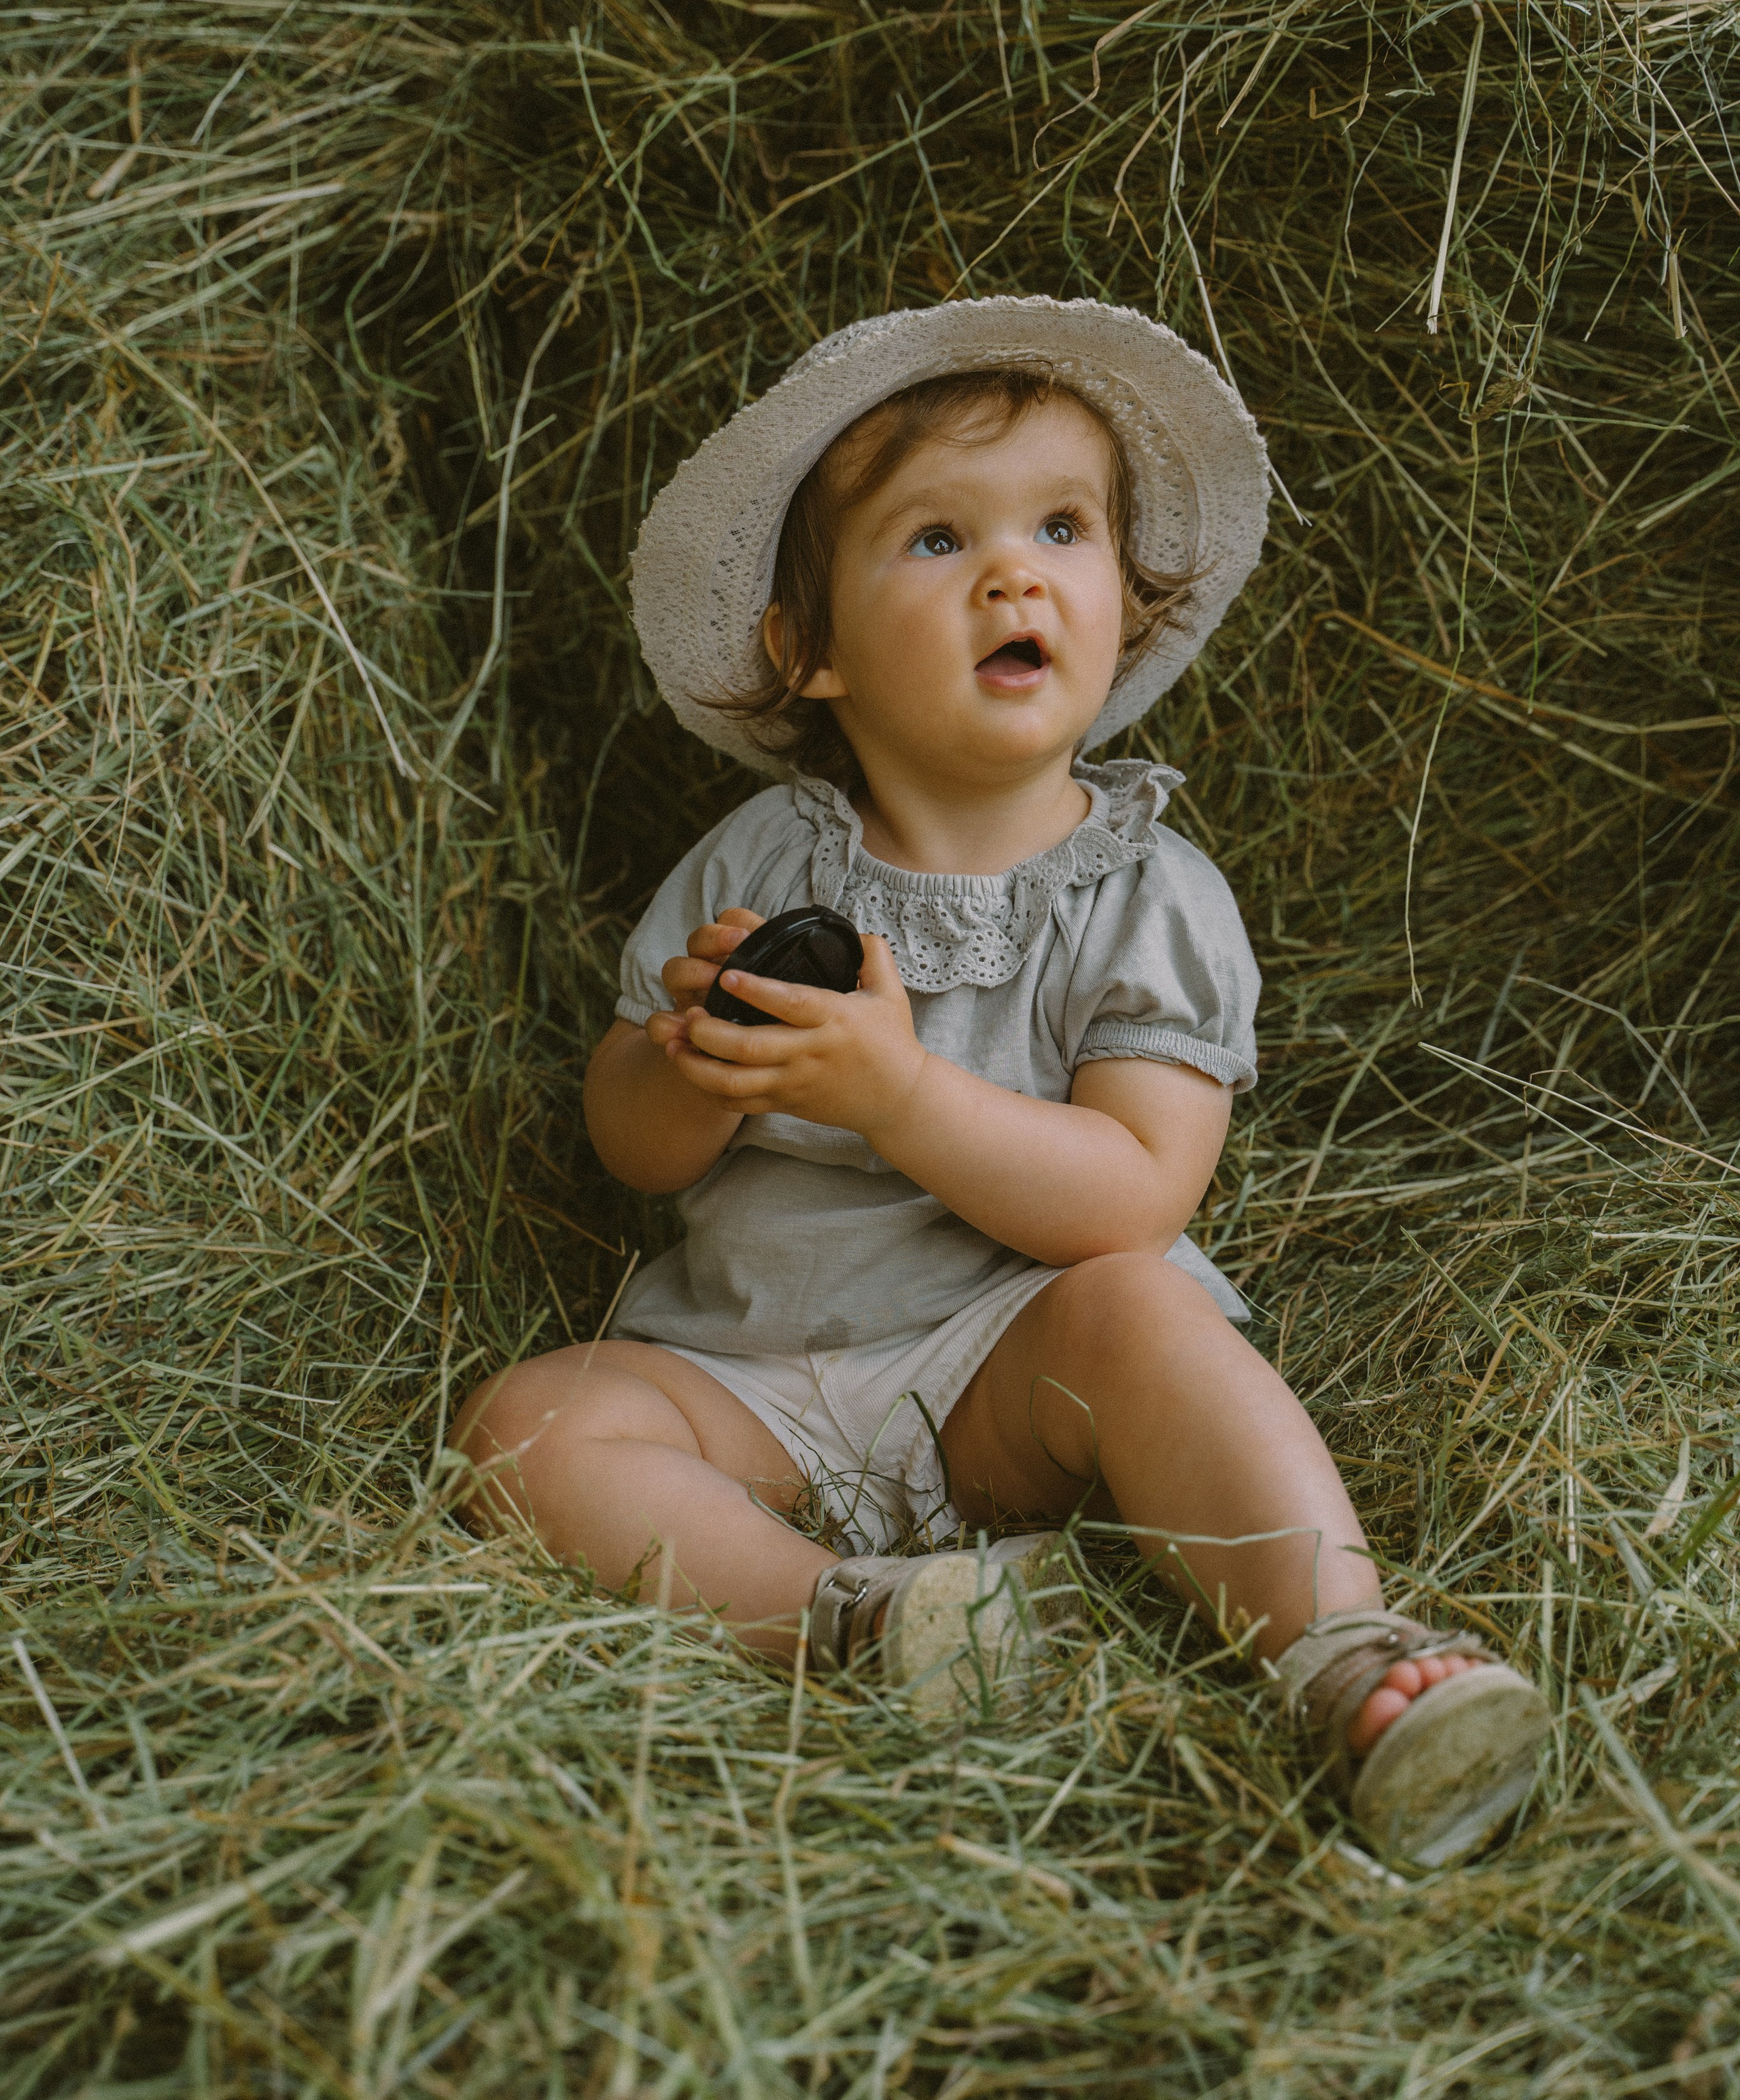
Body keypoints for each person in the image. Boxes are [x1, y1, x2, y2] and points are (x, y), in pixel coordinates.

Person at [457, 296, 1548, 1869]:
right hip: (750, 1378)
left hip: (1000, 1372)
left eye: (1060, 526)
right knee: (529, 1422)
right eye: (932, 540)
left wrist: (896, 1095)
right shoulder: (759, 866)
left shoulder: (1146, 893)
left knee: (1143, 1315)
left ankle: (1345, 1651)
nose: (1011, 571)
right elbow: (633, 1153)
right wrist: (686, 1058)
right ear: (806, 650)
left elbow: (1135, 1190)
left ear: (1126, 599)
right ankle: (856, 1625)